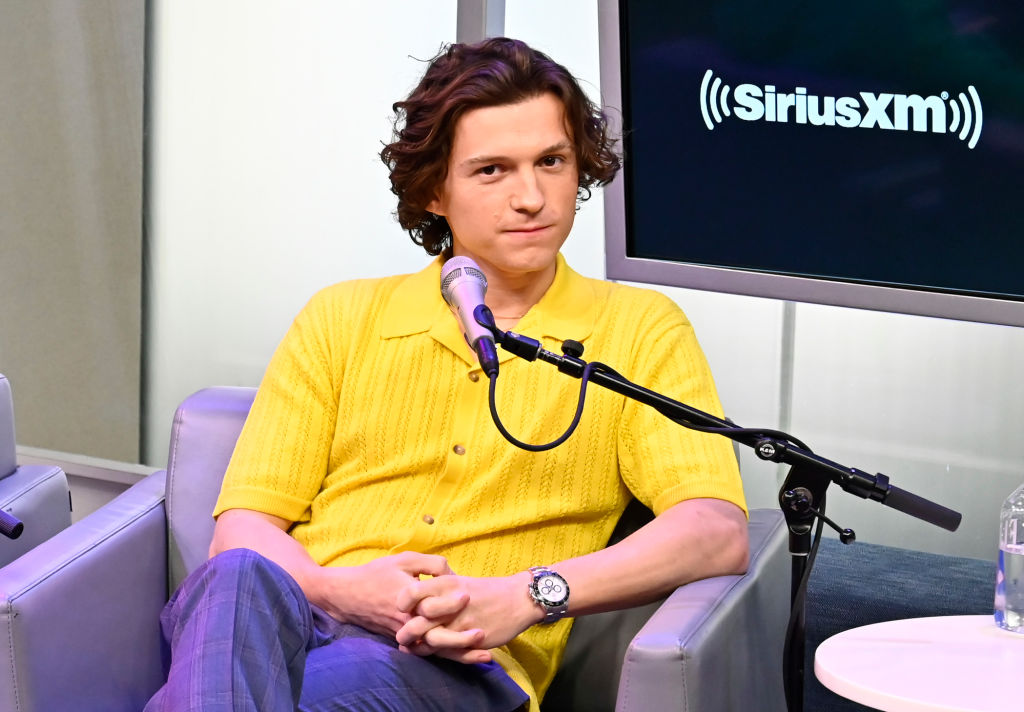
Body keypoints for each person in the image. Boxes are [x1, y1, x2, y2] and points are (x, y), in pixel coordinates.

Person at [145, 37, 748, 712]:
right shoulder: (342, 316)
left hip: (453, 663)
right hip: (300, 616)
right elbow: (242, 530)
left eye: (551, 161)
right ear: (435, 190)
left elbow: (713, 530)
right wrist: (343, 591)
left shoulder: (637, 329)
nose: (531, 197)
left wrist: (527, 594)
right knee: (235, 578)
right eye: (492, 170)